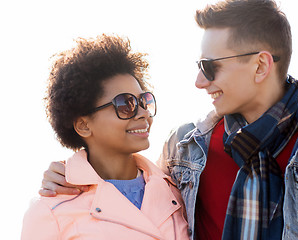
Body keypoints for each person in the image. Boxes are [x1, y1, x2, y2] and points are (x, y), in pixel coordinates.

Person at [39, 0, 298, 239]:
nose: (199, 82)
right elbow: (129, 193)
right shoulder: (185, 149)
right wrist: (71, 174)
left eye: (210, 67)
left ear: (261, 66)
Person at [21, 34, 189, 240]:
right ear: (83, 125)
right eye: (125, 104)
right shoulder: (50, 212)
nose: (143, 112)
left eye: (143, 101)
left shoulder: (179, 188)